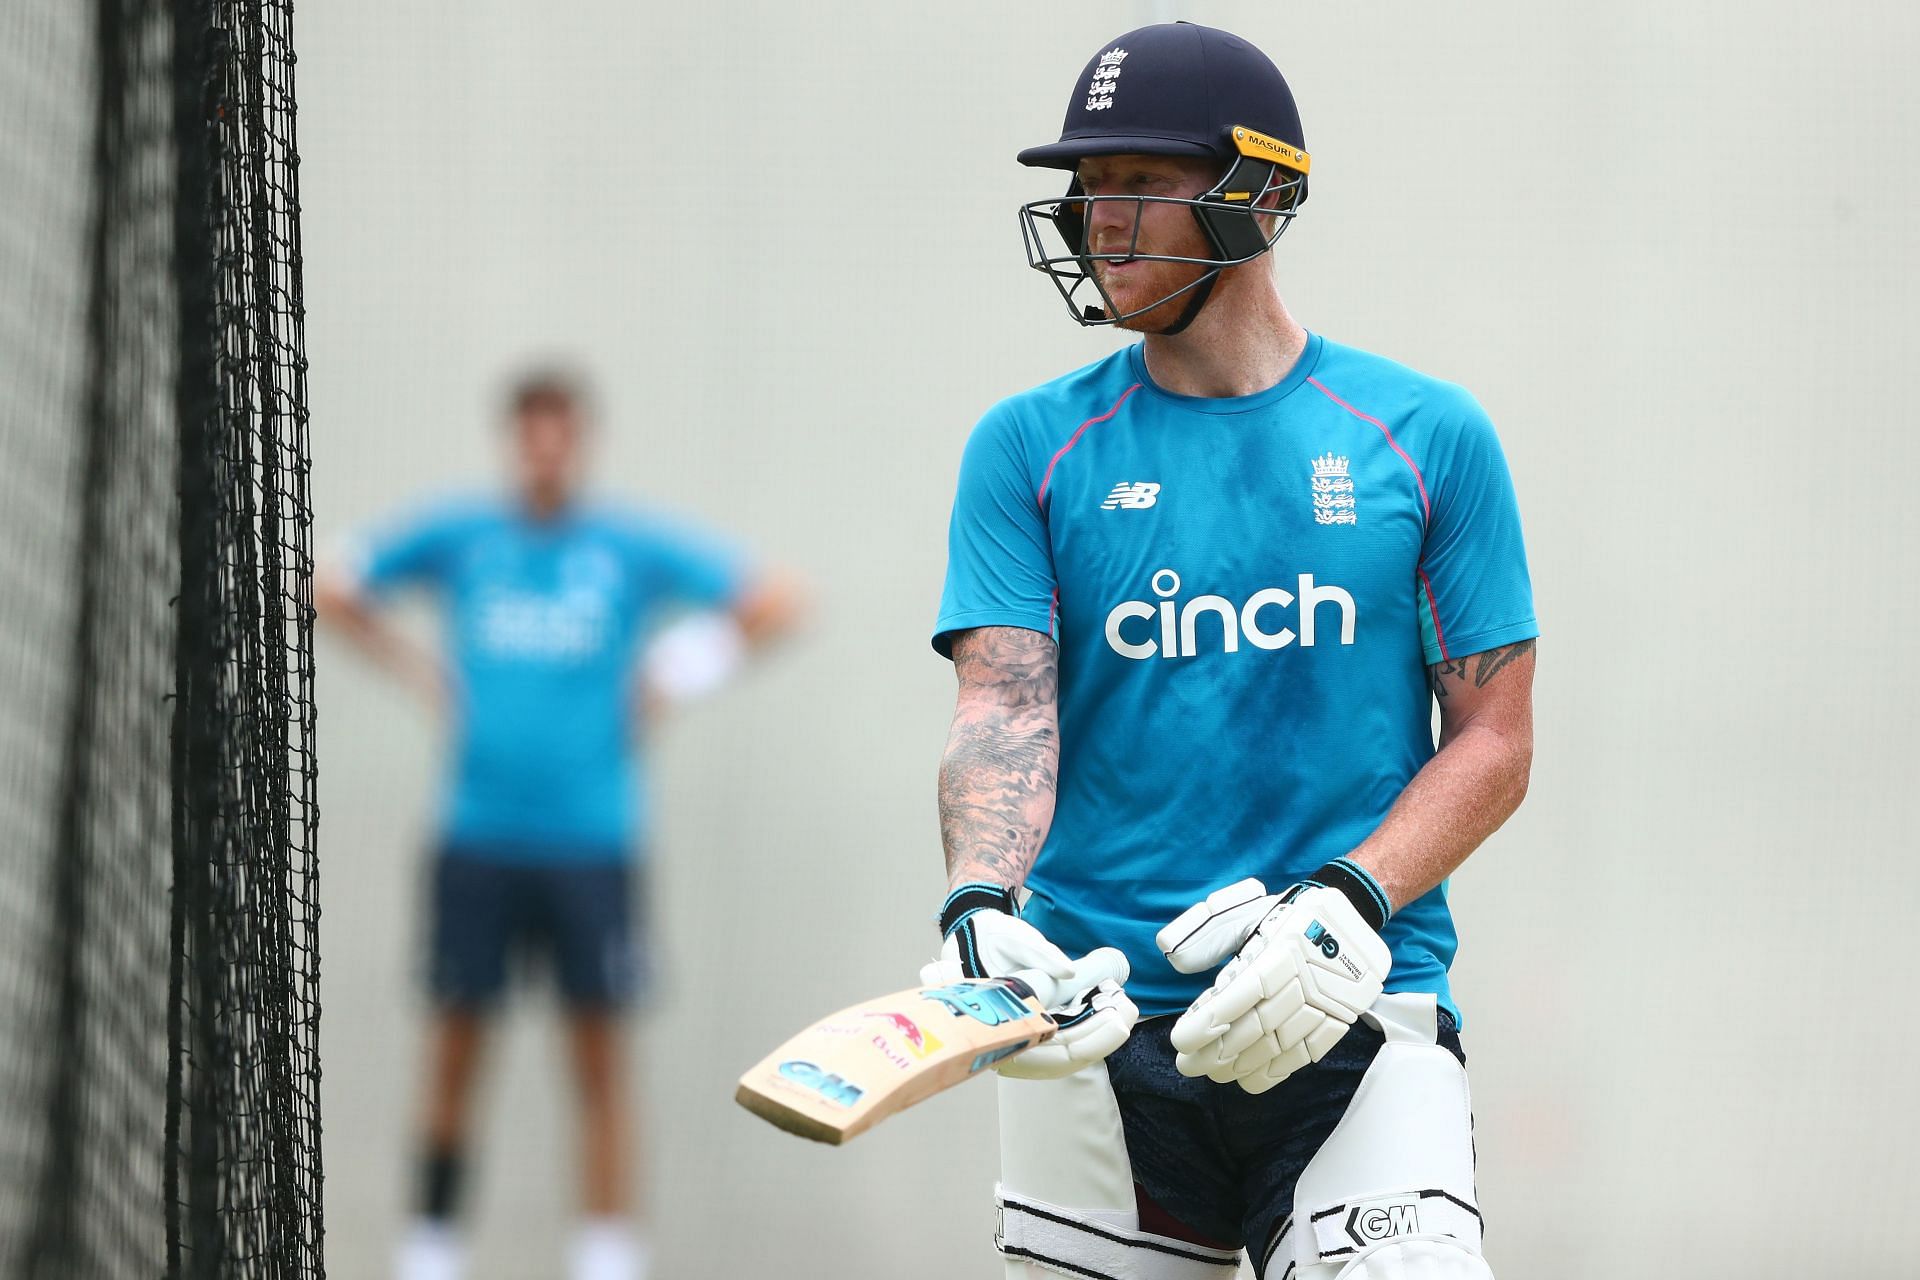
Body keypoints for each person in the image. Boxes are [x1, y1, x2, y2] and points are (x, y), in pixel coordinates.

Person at [926, 22, 1537, 1280]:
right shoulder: (1026, 446)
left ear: (1259, 193)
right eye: (1088, 190)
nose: (1103, 222)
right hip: (1094, 1036)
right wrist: (981, 904)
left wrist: (1349, 899)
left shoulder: (1427, 433)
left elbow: (1496, 740)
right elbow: (1002, 705)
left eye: (1140, 185)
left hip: (1355, 1010)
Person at [316, 369, 802, 1280]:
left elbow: (775, 598)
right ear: (513, 442)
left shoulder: (625, 547)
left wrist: (677, 670)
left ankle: (606, 1261)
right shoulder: (462, 537)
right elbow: (336, 585)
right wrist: (417, 670)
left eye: (561, 434)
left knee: (598, 1059)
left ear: (579, 443)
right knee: (458, 1047)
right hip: (478, 836)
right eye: (531, 434)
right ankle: (431, 1254)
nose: (546, 451)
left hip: (592, 843)